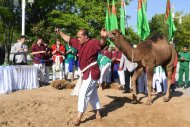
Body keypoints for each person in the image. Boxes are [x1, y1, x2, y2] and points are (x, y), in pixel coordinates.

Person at [55, 27, 107, 126]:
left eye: (79, 37)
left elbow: (101, 43)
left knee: (83, 92)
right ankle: (98, 112)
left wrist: (103, 37)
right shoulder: (79, 42)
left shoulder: (92, 42)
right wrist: (60, 32)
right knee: (92, 94)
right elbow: (68, 38)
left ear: (86, 36)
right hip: (85, 72)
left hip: (92, 71)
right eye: (77, 37)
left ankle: (79, 117)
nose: (77, 38)